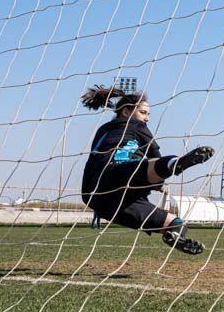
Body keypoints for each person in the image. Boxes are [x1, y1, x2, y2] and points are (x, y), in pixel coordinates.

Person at [79, 83, 212, 255]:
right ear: (126, 112)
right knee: (157, 165)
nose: (146, 118)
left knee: (175, 223)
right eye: (143, 112)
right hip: (115, 174)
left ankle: (175, 236)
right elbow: (155, 155)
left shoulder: (103, 129)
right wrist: (160, 180)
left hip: (98, 195)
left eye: (148, 114)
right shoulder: (137, 125)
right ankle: (178, 163)